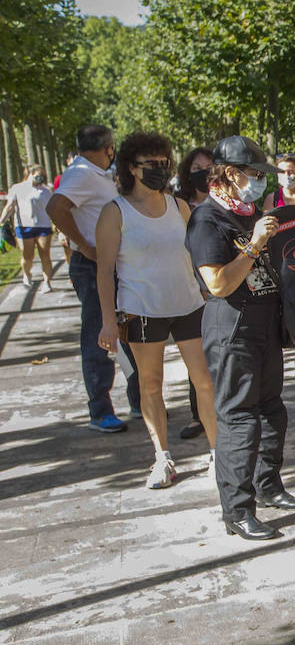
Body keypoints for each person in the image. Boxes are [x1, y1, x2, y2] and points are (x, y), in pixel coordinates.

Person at [187, 134, 295, 541]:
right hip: (232, 331)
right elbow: (218, 284)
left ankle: (268, 485)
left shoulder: (247, 211)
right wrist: (255, 245)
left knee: (272, 410)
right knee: (239, 419)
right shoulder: (207, 219)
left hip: (264, 327)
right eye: (255, 174)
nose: (261, 182)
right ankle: (237, 510)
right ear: (231, 174)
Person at [94, 133, 217, 489]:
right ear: (131, 168)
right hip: (138, 311)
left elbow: (196, 254)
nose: (160, 170)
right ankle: (162, 458)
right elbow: (104, 272)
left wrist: (209, 290)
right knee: (150, 385)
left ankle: (216, 453)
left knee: (205, 382)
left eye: (165, 163)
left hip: (189, 305)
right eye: (152, 165)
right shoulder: (114, 212)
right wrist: (107, 321)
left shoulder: (179, 206)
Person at [48, 124, 141, 433]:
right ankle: (100, 411)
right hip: (93, 268)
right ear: (108, 148)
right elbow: (56, 207)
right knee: (100, 334)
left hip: (110, 264)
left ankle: (138, 400)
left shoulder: (91, 173)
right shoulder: (82, 173)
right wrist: (85, 246)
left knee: (126, 332)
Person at [174, 146, 215, 440]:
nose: (203, 173)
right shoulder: (180, 207)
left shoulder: (225, 203)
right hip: (193, 291)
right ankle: (198, 415)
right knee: (197, 359)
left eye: (208, 167)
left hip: (223, 286)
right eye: (196, 169)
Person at [1, 164, 56, 291]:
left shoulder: (46, 190)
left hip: (43, 226)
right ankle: (27, 273)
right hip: (24, 227)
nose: (40, 178)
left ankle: (47, 282)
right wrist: (1, 221)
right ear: (29, 174)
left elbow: (52, 208)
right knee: (27, 256)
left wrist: (57, 223)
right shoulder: (17, 188)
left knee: (45, 255)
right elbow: (10, 206)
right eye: (38, 175)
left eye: (42, 175)